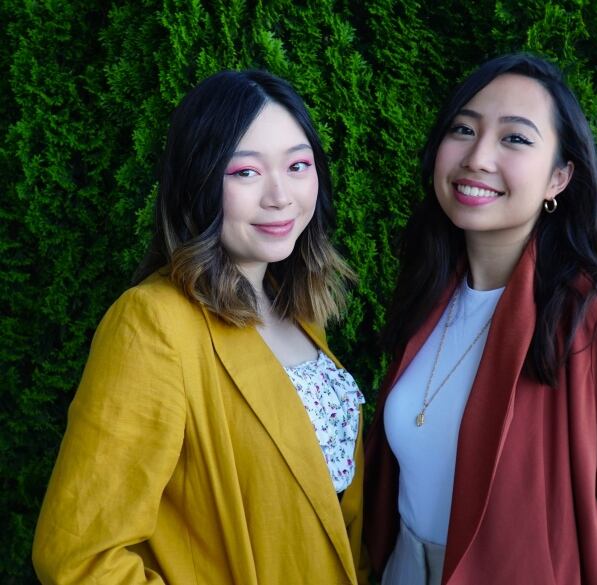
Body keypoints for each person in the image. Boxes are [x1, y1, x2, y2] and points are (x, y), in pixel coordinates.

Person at [33, 70, 367, 584]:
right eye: (245, 173)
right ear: (200, 181)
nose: (280, 196)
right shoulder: (152, 323)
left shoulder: (297, 310)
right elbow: (81, 559)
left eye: (298, 165)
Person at [364, 53, 597, 585]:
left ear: (559, 178)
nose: (477, 156)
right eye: (463, 129)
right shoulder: (428, 290)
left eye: (515, 139)